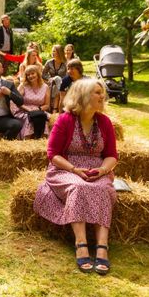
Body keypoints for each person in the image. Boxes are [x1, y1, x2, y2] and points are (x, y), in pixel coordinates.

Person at [34, 79, 118, 274]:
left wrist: (103, 171)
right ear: (83, 96)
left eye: (101, 92)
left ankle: (102, 247)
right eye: (97, 92)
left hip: (98, 169)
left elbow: (112, 156)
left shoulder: (104, 122)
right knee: (79, 187)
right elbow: (52, 154)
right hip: (66, 168)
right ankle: (81, 244)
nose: (102, 96)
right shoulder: (65, 119)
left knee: (102, 188)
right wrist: (74, 170)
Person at [11, 65, 50, 139]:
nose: (30, 76)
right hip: (24, 110)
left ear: (38, 74)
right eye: (28, 75)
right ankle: (27, 140)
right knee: (29, 119)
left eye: (32, 73)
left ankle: (42, 140)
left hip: (39, 110)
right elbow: (17, 101)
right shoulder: (23, 86)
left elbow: (47, 105)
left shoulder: (45, 87)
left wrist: (38, 109)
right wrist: (28, 109)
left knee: (44, 117)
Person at [43, 44, 67, 112]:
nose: (53, 53)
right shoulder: (49, 62)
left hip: (63, 83)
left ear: (59, 52)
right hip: (51, 82)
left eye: (55, 51)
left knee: (57, 79)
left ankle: (54, 108)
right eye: (52, 51)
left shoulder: (65, 63)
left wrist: (58, 79)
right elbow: (43, 74)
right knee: (56, 81)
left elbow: (68, 75)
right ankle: (57, 107)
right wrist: (50, 78)